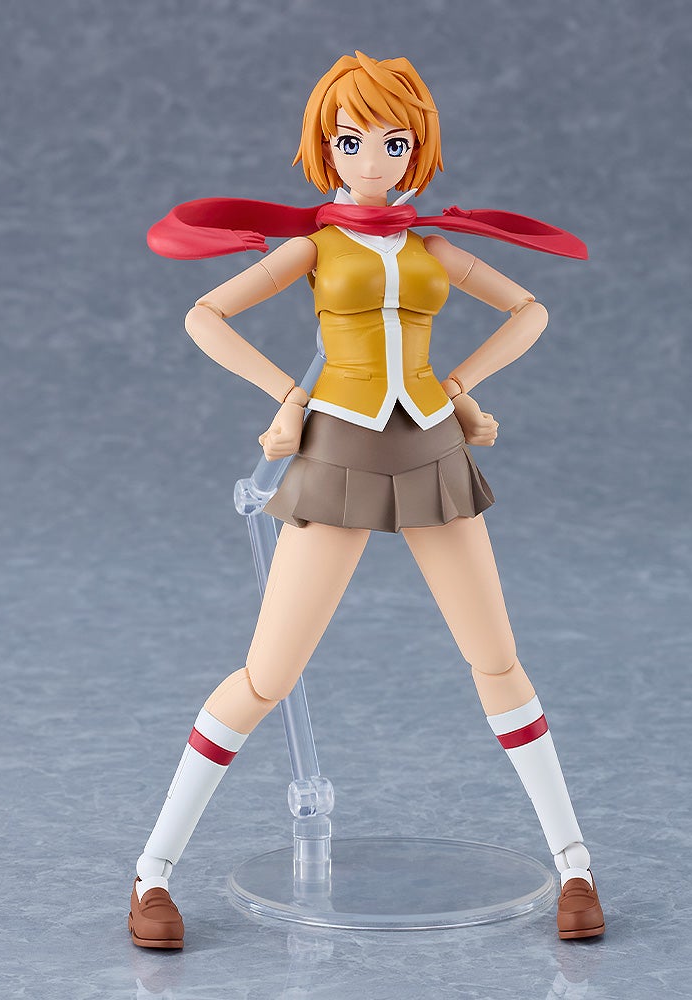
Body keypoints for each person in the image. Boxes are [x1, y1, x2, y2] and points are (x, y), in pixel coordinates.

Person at [129, 51, 604, 949]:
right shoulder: (315, 247)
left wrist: (459, 386)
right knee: (267, 675)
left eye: (395, 141)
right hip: (338, 451)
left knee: (497, 660)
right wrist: (287, 396)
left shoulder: (431, 247)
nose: (375, 159)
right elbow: (203, 314)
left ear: (418, 148)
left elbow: (531, 309)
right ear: (326, 148)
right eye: (353, 141)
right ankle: (152, 872)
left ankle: (575, 864)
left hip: (432, 451)